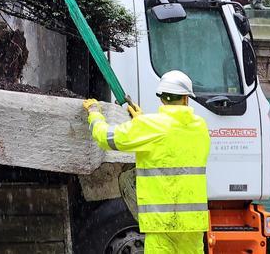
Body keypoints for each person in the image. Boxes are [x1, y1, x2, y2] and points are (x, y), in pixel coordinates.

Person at [85, 70, 209, 254]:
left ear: (162, 98)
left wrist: (94, 113)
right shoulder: (200, 127)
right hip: (193, 224)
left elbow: (107, 138)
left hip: (161, 224)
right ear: (186, 98)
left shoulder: (150, 127)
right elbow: (170, 139)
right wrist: (142, 121)